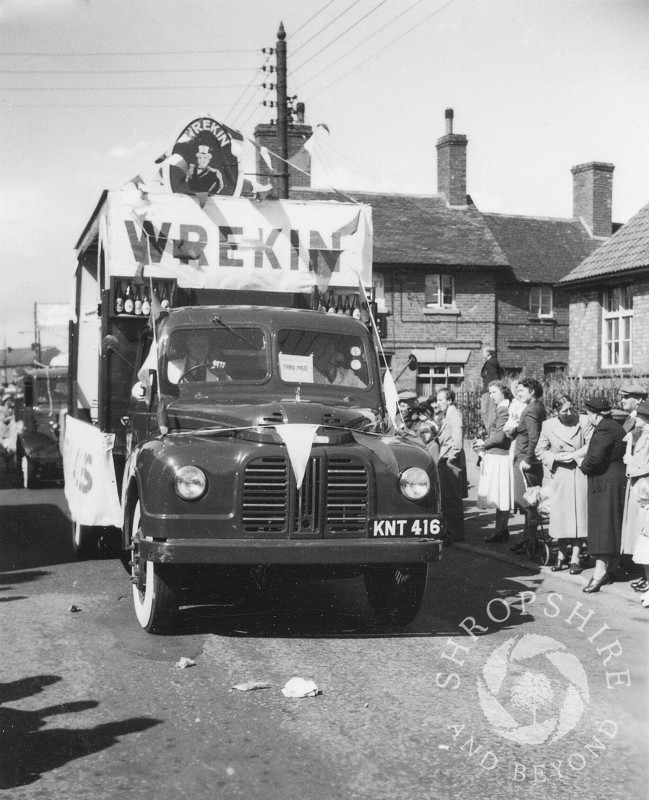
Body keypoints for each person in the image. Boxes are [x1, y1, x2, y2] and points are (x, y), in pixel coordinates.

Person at [536, 394, 593, 572]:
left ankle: (575, 557)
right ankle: (561, 555)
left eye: (571, 409)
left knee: (578, 517)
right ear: (555, 411)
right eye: (564, 410)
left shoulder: (583, 421)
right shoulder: (548, 425)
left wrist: (574, 455)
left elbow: (591, 444)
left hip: (579, 472)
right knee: (562, 517)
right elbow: (540, 451)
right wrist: (556, 457)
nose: (569, 413)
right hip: (560, 475)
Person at [577, 395, 626, 593]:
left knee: (602, 527)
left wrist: (581, 464)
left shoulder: (603, 429)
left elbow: (595, 458)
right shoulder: (615, 426)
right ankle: (612, 568)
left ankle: (599, 574)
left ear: (593, 414)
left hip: (605, 481)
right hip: (615, 480)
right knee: (612, 524)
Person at [474, 379, 513, 542]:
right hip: (498, 454)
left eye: (494, 392)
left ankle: (500, 530)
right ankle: (502, 529)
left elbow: (500, 436)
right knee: (501, 496)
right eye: (489, 393)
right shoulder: (502, 407)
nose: (491, 396)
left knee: (499, 496)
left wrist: (483, 443)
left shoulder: (503, 408)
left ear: (503, 391)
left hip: (499, 456)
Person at [510, 378, 547, 548]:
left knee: (528, 502)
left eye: (521, 391)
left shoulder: (531, 409)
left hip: (526, 460)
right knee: (529, 501)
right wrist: (516, 430)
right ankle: (527, 537)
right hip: (528, 459)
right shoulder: (537, 406)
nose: (518, 393)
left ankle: (531, 541)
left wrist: (528, 459)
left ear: (531, 391)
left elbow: (534, 437)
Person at [621, 400, 649, 592]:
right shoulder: (635, 434)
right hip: (636, 485)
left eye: (638, 415)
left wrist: (632, 464)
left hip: (645, 487)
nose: (634, 417)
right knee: (639, 535)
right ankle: (645, 575)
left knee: (645, 534)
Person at [436, 387, 467, 542]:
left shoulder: (454, 414)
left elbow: (457, 442)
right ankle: (450, 531)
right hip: (446, 460)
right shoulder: (448, 414)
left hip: (450, 461)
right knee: (448, 498)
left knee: (452, 498)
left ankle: (455, 534)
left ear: (449, 400)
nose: (438, 403)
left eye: (441, 400)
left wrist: (450, 459)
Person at [479, 346, 504, 430]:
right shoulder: (491, 362)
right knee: (485, 412)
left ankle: (490, 432)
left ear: (488, 353)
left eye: (484, 352)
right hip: (487, 391)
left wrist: (492, 390)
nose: (483, 354)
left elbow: (495, 378)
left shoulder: (491, 362)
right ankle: (490, 431)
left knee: (487, 412)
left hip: (488, 391)